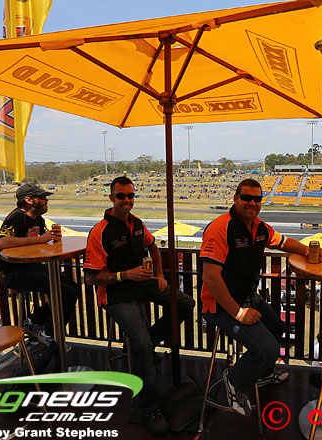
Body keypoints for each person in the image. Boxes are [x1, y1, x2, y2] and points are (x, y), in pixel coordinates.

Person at [200, 178, 322, 416]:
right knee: (268, 350)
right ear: (235, 199)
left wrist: (307, 250)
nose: (252, 203)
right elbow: (211, 278)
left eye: (257, 199)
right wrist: (239, 313)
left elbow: (283, 242)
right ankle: (234, 381)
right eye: (246, 198)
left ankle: (261, 374)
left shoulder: (259, 227)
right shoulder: (220, 228)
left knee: (277, 328)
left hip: (247, 296)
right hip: (220, 305)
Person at [84, 176, 195, 437]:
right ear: (111, 198)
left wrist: (160, 274)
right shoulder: (100, 232)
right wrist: (125, 275)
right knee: (143, 345)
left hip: (143, 284)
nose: (127, 200)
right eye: (121, 196)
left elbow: (153, 247)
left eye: (130, 195)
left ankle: (144, 345)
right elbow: (91, 277)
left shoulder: (137, 224)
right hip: (116, 293)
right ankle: (149, 408)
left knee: (185, 303)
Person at [0, 183, 79, 347]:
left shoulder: (38, 219)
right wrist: (40, 239)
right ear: (29, 200)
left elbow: (42, 241)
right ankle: (50, 334)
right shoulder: (17, 218)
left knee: (72, 288)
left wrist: (52, 241)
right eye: (42, 197)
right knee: (66, 292)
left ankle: (33, 321)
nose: (46, 200)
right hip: (15, 274)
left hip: (33, 268)